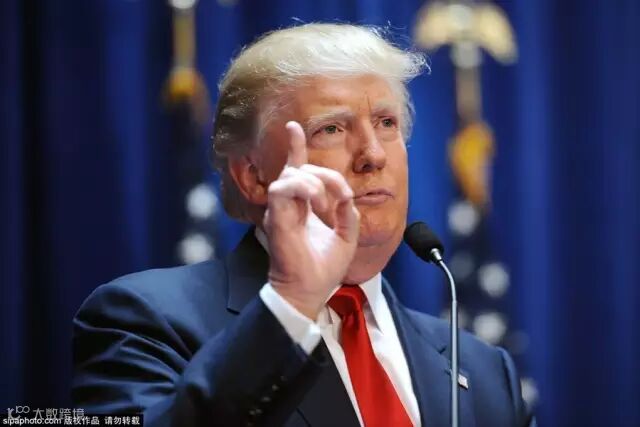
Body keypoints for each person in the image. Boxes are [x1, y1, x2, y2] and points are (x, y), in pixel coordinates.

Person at [72, 23, 535, 427]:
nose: (374, 154)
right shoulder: (146, 321)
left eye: (386, 123)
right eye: (331, 129)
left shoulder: (484, 370)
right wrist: (291, 305)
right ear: (254, 176)